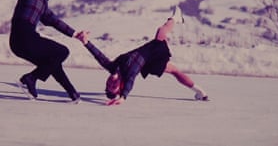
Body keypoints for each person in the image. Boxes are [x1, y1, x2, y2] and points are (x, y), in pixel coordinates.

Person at [75, 6, 209, 106]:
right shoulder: (128, 74)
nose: (111, 82)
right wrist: (123, 97)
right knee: (161, 32)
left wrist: (86, 42)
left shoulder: (112, 67)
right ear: (120, 85)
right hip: (153, 55)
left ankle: (200, 93)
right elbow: (130, 81)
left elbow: (99, 57)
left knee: (174, 71)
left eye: (108, 84)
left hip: (147, 58)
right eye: (113, 86)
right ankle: (175, 18)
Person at [9, 0, 84, 103]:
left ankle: (73, 94)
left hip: (22, 41)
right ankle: (29, 78)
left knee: (52, 62)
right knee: (62, 52)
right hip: (23, 36)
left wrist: (75, 34)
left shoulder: (42, 0)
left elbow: (53, 21)